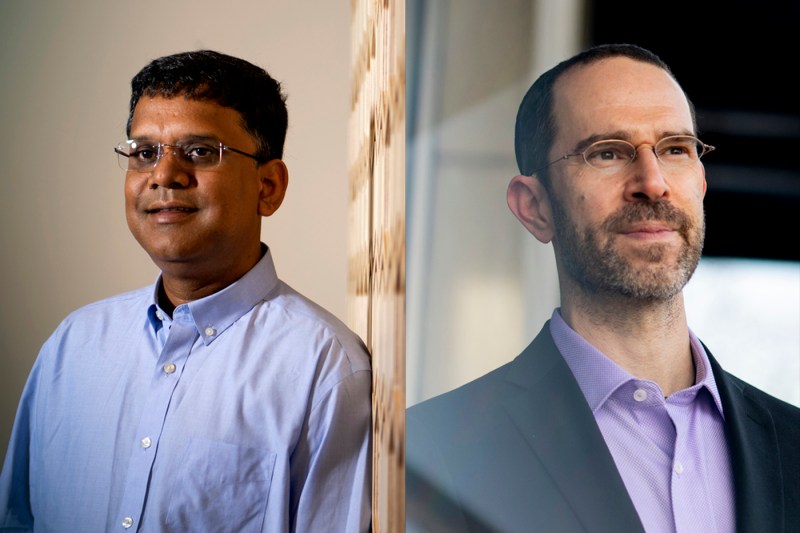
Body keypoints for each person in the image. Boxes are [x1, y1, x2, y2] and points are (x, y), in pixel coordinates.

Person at [406, 43, 800, 532]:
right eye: (607, 153)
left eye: (675, 148)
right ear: (534, 207)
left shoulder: (793, 444)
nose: (652, 183)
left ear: (700, 182)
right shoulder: (430, 454)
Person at [0, 50, 371, 532]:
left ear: (268, 186)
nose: (163, 175)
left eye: (199, 151)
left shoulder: (326, 371)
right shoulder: (71, 347)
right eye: (144, 152)